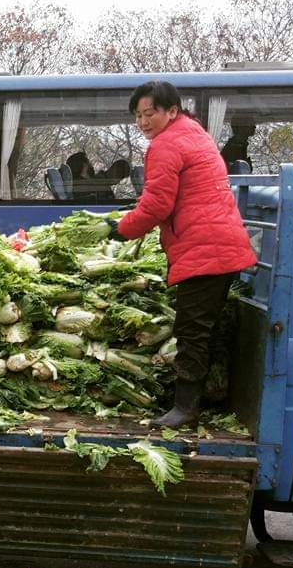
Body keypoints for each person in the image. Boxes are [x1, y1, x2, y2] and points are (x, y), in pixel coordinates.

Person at [108, 81, 256, 428]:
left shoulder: (166, 144)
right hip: (217, 243)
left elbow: (157, 204)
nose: (143, 122)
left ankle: (185, 409)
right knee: (202, 329)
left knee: (191, 331)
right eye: (138, 115)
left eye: (150, 113)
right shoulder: (194, 133)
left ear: (171, 111)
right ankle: (203, 399)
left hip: (205, 248)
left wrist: (121, 228)